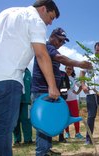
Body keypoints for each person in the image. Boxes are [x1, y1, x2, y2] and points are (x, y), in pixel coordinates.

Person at [0, 1, 61, 155]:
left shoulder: (8, 11)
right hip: (7, 76)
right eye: (51, 17)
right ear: (43, 9)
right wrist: (52, 86)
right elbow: (41, 53)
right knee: (5, 126)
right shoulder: (35, 20)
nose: (50, 22)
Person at [31, 27, 92, 156]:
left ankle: (46, 149)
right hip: (42, 92)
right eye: (59, 40)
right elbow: (61, 58)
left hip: (49, 92)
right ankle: (41, 152)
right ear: (52, 37)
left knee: (48, 121)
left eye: (63, 42)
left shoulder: (52, 49)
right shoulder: (47, 47)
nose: (61, 44)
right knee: (43, 123)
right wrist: (79, 64)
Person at [13, 68, 33, 145]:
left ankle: (28, 139)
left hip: (27, 101)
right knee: (15, 121)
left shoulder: (28, 73)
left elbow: (31, 87)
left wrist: (31, 99)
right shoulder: (14, 70)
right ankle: (17, 140)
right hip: (15, 101)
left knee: (27, 120)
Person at [63, 66, 83, 140]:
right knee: (65, 117)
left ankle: (77, 133)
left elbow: (81, 86)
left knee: (76, 116)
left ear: (72, 70)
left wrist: (77, 92)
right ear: (65, 69)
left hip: (73, 100)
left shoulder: (74, 78)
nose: (68, 70)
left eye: (70, 69)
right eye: (67, 68)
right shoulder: (62, 78)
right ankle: (67, 133)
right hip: (64, 101)